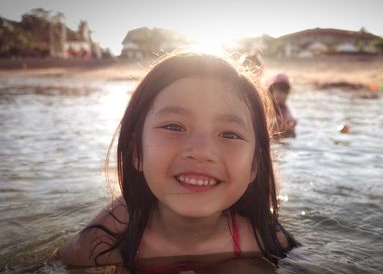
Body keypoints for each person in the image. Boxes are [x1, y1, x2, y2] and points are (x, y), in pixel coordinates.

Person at [56, 50, 298, 273]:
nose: (201, 151)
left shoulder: (260, 238)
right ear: (136, 153)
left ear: (254, 165)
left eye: (229, 134)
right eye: (174, 126)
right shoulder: (109, 237)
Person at [268, 73, 297, 138]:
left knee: (292, 134)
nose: (281, 95)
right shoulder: (267, 105)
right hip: (269, 133)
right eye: (278, 91)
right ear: (271, 91)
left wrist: (291, 123)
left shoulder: (284, 107)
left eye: (284, 92)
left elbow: (289, 118)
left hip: (280, 133)